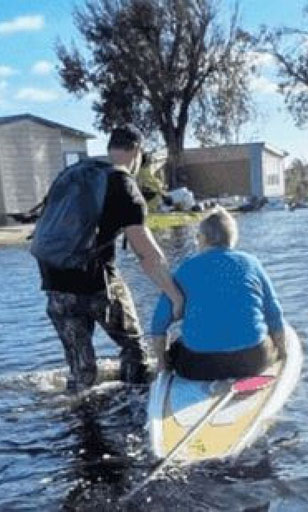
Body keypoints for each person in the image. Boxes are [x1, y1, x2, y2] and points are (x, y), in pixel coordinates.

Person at [38, 124, 184, 391]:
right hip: (97, 284)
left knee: (82, 370)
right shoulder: (123, 184)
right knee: (135, 351)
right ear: (137, 150)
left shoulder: (72, 174)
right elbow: (147, 254)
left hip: (55, 285)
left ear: (110, 147)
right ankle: (135, 405)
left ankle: (77, 410)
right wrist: (175, 296)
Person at [149, 207, 285, 381]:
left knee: (176, 347)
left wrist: (162, 363)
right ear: (233, 238)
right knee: (266, 338)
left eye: (197, 237)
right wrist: (282, 351)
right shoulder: (252, 263)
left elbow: (158, 323)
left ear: (203, 238)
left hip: (199, 365)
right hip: (252, 360)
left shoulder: (185, 269)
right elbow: (274, 313)